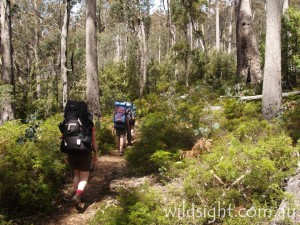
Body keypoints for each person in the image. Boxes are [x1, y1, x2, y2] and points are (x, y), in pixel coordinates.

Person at [68, 124, 98, 205]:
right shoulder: (89, 123)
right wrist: (95, 153)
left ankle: (77, 194)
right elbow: (93, 141)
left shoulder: (69, 121)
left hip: (71, 152)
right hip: (85, 152)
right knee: (84, 178)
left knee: (76, 175)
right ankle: (78, 195)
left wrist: (66, 155)